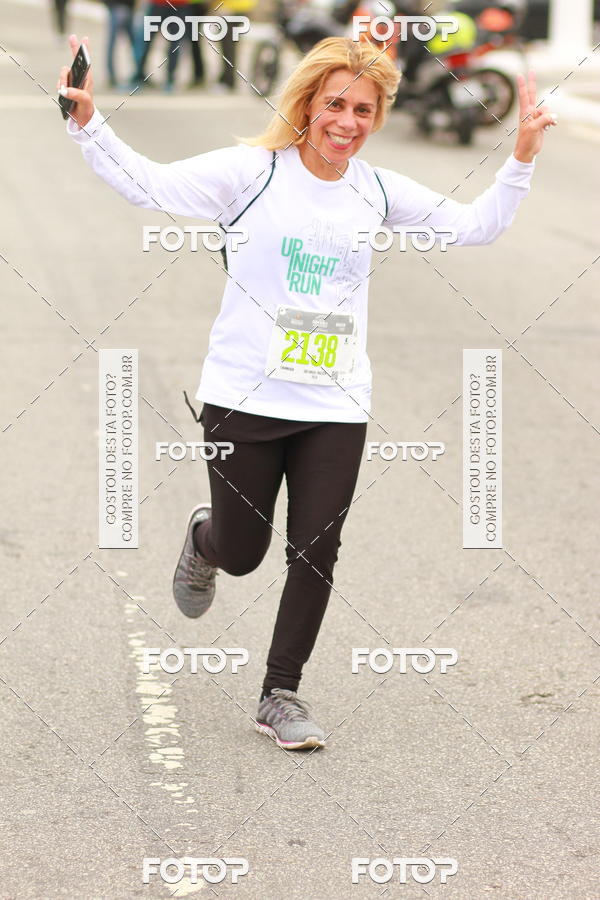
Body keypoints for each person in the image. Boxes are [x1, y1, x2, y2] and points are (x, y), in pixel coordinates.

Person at [58, 32, 556, 750]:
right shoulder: (253, 172)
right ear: (307, 104)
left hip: (334, 404)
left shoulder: (375, 190)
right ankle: (206, 540)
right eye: (335, 105)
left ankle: (279, 694)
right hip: (244, 398)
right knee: (243, 550)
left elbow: (477, 227)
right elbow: (147, 184)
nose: (347, 122)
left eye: (362, 109)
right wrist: (87, 122)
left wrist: (521, 158)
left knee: (316, 550)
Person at [102, 0, 136, 88]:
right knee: (133, 42)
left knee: (134, 42)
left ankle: (138, 72)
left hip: (125, 7)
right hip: (119, 6)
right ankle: (112, 74)